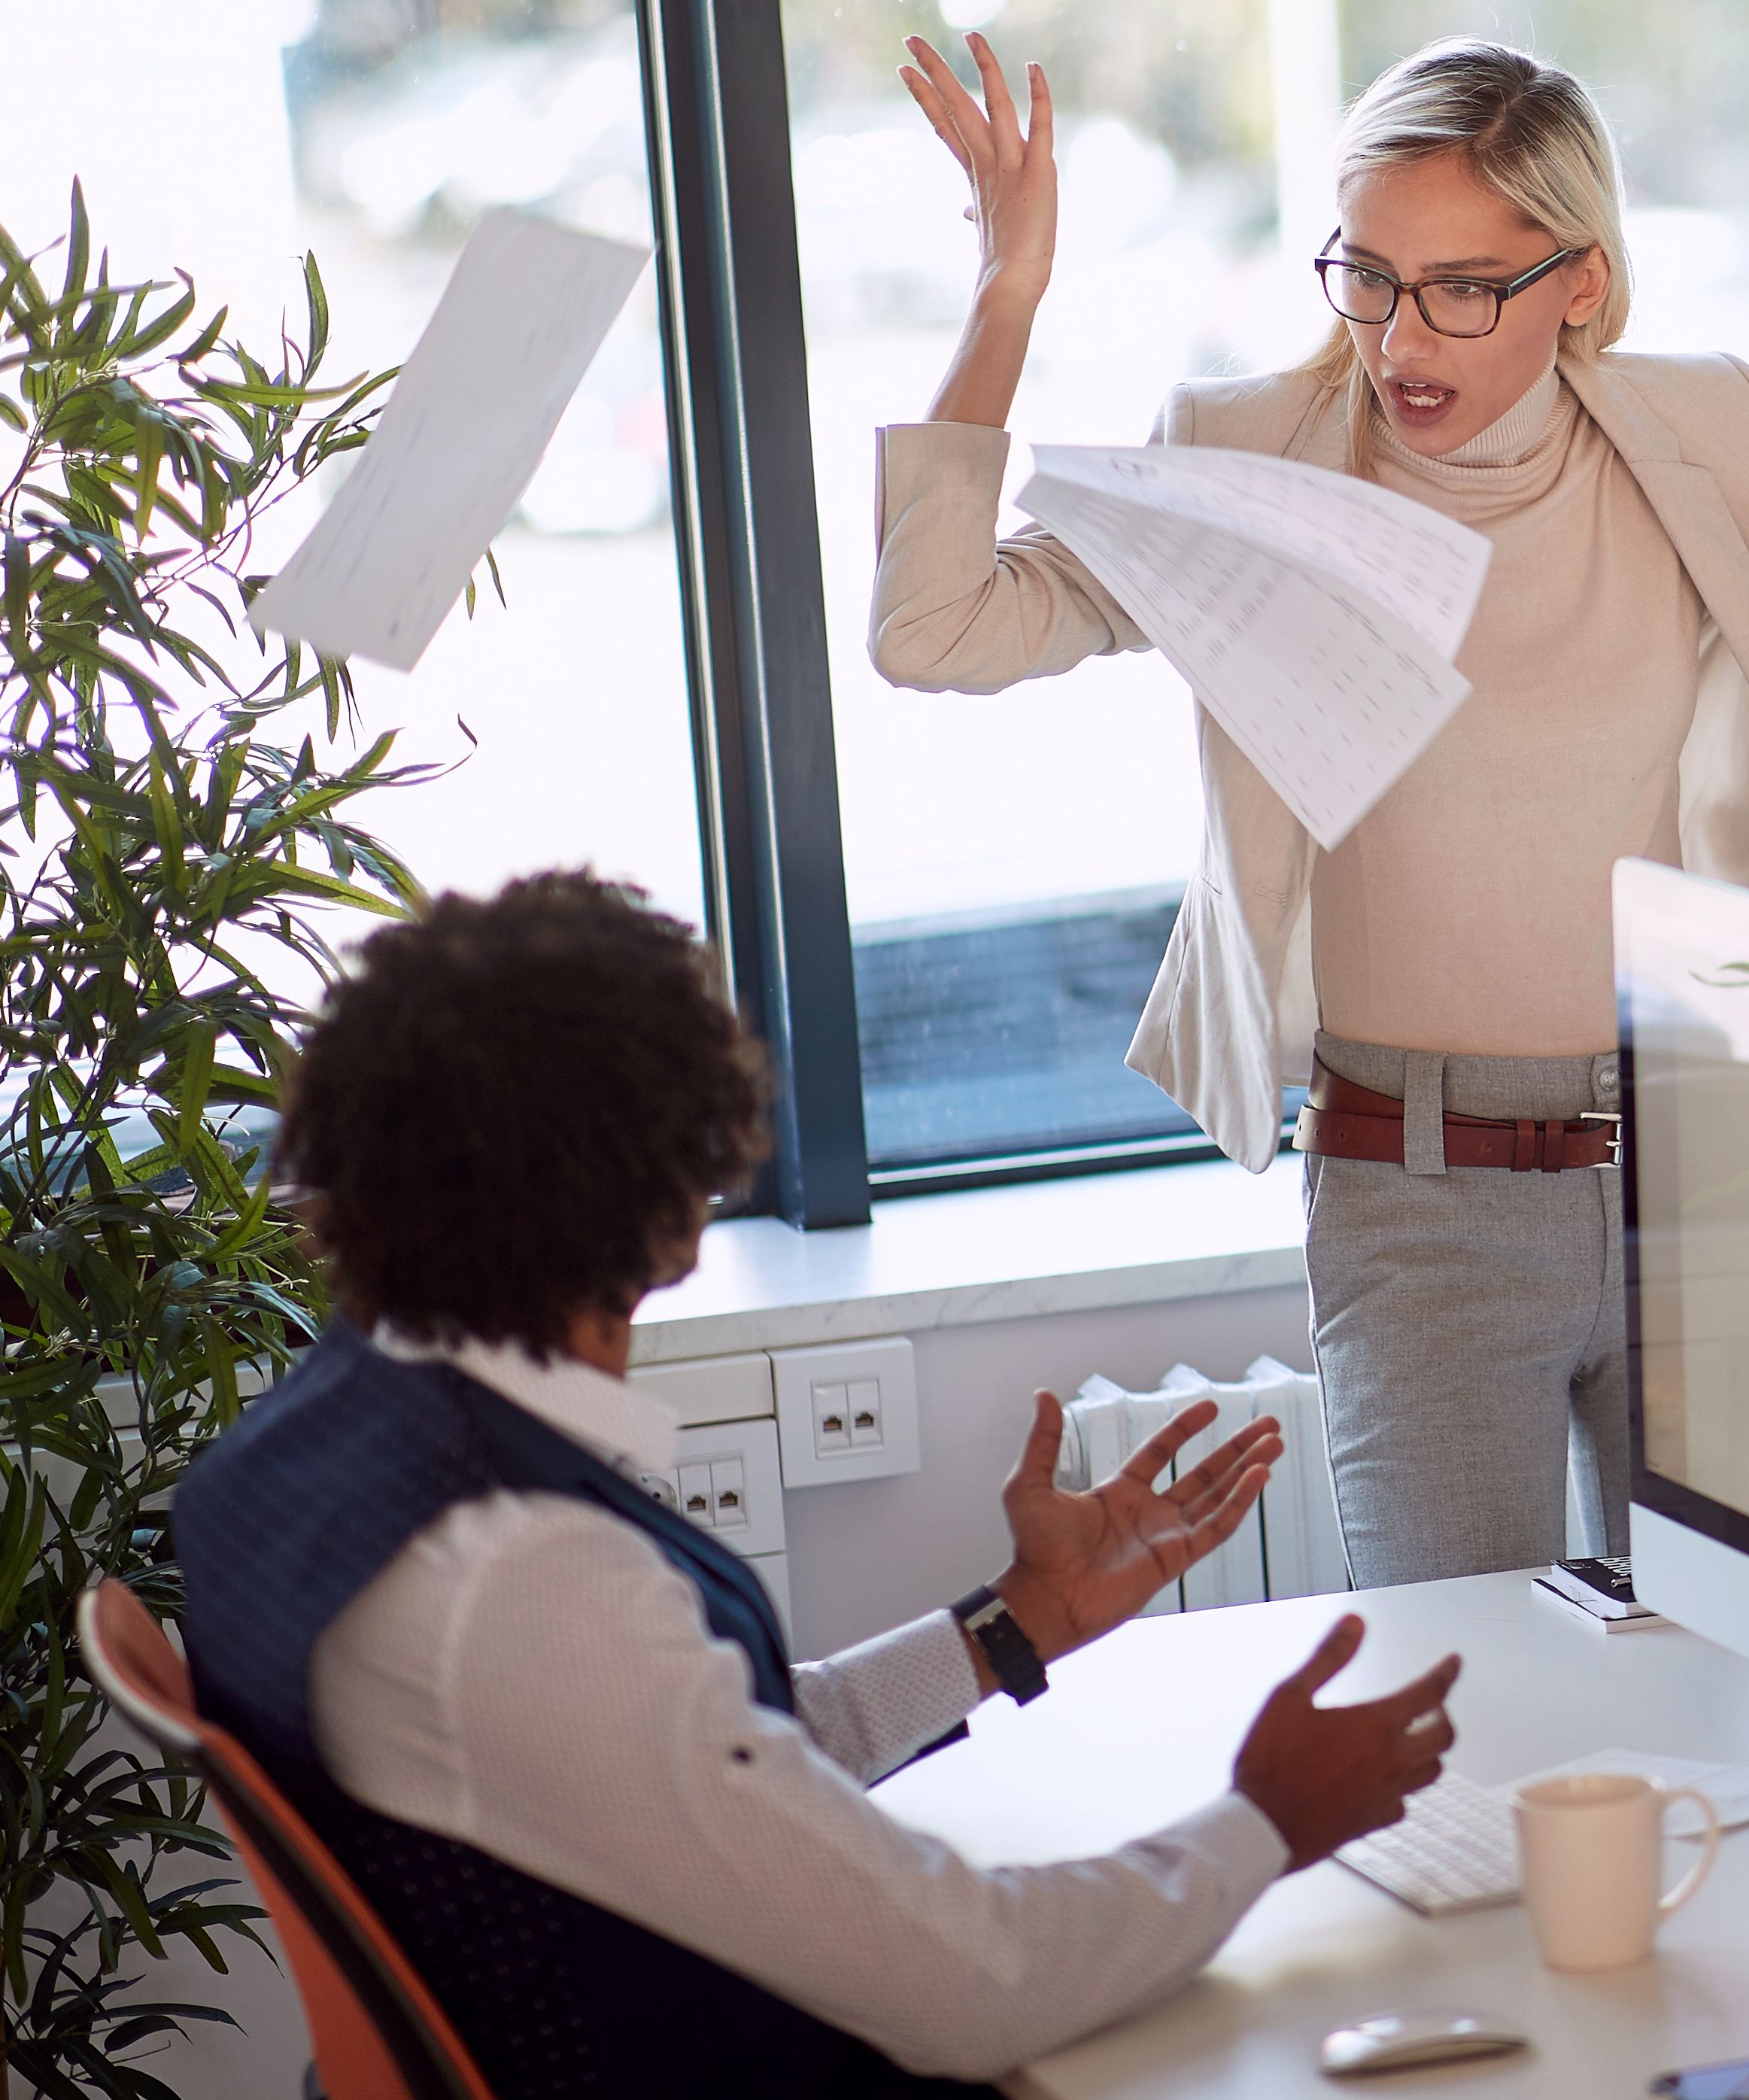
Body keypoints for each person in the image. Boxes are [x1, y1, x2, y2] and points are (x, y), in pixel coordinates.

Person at [871, 17, 1749, 1589]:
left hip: (1707, 1165)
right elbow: (936, 631)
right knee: (1466, 1725)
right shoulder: (1252, 460)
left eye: (1462, 288)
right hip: (1417, 1204)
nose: (1401, 339)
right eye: (1367, 276)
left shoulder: (1710, 440)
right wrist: (1004, 296)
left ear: (1577, 277)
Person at [179, 874, 1462, 2095]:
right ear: (677, 1205)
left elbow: (719, 1754)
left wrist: (1018, 1621)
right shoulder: (517, 1573)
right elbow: (985, 1983)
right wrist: (1266, 1825)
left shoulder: (310, 1444)